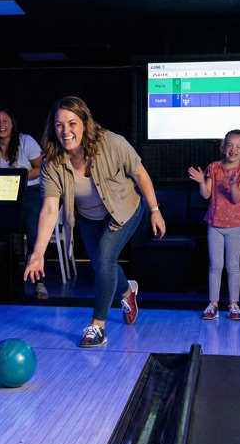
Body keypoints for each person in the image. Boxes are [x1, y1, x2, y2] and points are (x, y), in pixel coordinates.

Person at [23, 96, 165, 348]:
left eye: (72, 123)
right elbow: (49, 209)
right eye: (59, 125)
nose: (65, 131)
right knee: (102, 265)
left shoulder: (112, 143)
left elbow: (140, 174)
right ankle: (127, 291)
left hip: (125, 209)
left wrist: (154, 209)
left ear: (85, 123)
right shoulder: (51, 163)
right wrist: (38, 253)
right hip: (89, 217)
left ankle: (97, 326)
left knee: (106, 258)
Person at [188, 129, 240, 321]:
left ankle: (234, 305)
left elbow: (237, 198)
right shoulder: (214, 167)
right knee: (215, 265)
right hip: (214, 223)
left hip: (235, 225)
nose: (233, 150)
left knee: (233, 265)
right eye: (230, 145)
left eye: (238, 146)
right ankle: (213, 304)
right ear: (223, 147)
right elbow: (206, 194)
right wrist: (201, 182)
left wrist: (233, 184)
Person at [0, 108, 45, 298]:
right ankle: (3, 282)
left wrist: (20, 176)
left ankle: (39, 283)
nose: (2, 125)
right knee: (3, 238)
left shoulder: (26, 141)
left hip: (29, 192)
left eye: (5, 121)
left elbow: (41, 166)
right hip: (3, 195)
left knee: (34, 237)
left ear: (12, 123)